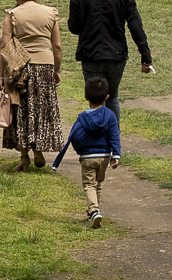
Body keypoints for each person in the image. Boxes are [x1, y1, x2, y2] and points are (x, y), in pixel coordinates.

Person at [67, 0, 153, 120]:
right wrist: (145, 56)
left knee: (95, 99)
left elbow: (73, 27)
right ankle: (114, 139)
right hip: (116, 53)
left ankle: (97, 138)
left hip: (90, 53)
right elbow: (136, 26)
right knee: (112, 97)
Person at [0, 0, 64, 171]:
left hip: (21, 67)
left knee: (22, 109)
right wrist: (57, 70)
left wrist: (2, 74)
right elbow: (57, 46)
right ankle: (38, 150)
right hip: (45, 64)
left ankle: (24, 155)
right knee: (41, 109)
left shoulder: (12, 14)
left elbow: (5, 44)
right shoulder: (51, 13)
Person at [51, 76, 121, 228]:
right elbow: (114, 135)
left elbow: (75, 137)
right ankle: (94, 211)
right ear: (107, 97)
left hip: (88, 157)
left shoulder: (83, 118)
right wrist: (116, 155)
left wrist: (80, 150)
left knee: (89, 185)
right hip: (104, 157)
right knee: (97, 184)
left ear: (86, 96)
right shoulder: (110, 116)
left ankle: (94, 211)